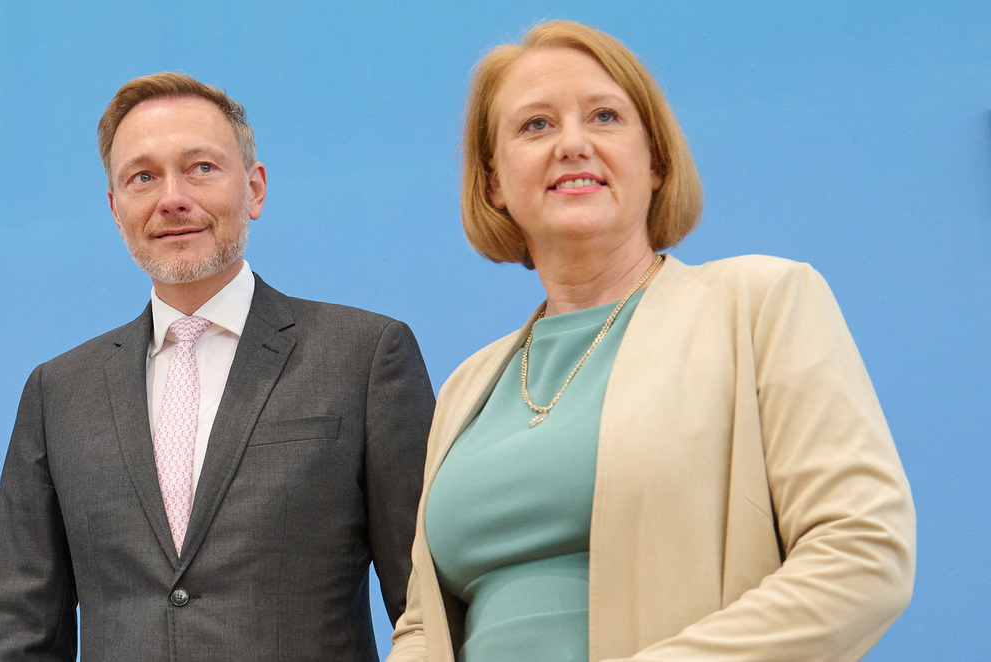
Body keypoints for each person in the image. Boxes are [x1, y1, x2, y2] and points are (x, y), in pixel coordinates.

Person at [386, 21, 914, 662]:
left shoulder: (760, 303)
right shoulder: (470, 385)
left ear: (656, 159)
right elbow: (422, 626)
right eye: (535, 125)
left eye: (604, 116)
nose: (572, 144)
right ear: (494, 182)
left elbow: (861, 551)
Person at [0, 72, 436, 661]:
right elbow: (23, 630)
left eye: (201, 168)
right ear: (116, 209)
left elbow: (425, 602)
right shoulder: (57, 393)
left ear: (254, 189)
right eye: (143, 177)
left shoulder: (365, 356)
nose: (172, 198)